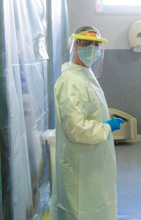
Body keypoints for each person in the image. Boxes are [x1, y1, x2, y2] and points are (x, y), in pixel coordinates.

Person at [50, 25, 124, 220]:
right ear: (75, 46)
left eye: (95, 44)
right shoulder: (72, 82)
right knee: (80, 210)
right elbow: (75, 129)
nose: (92, 48)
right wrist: (106, 127)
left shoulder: (83, 76)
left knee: (94, 207)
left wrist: (104, 124)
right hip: (80, 165)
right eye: (86, 43)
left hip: (91, 163)